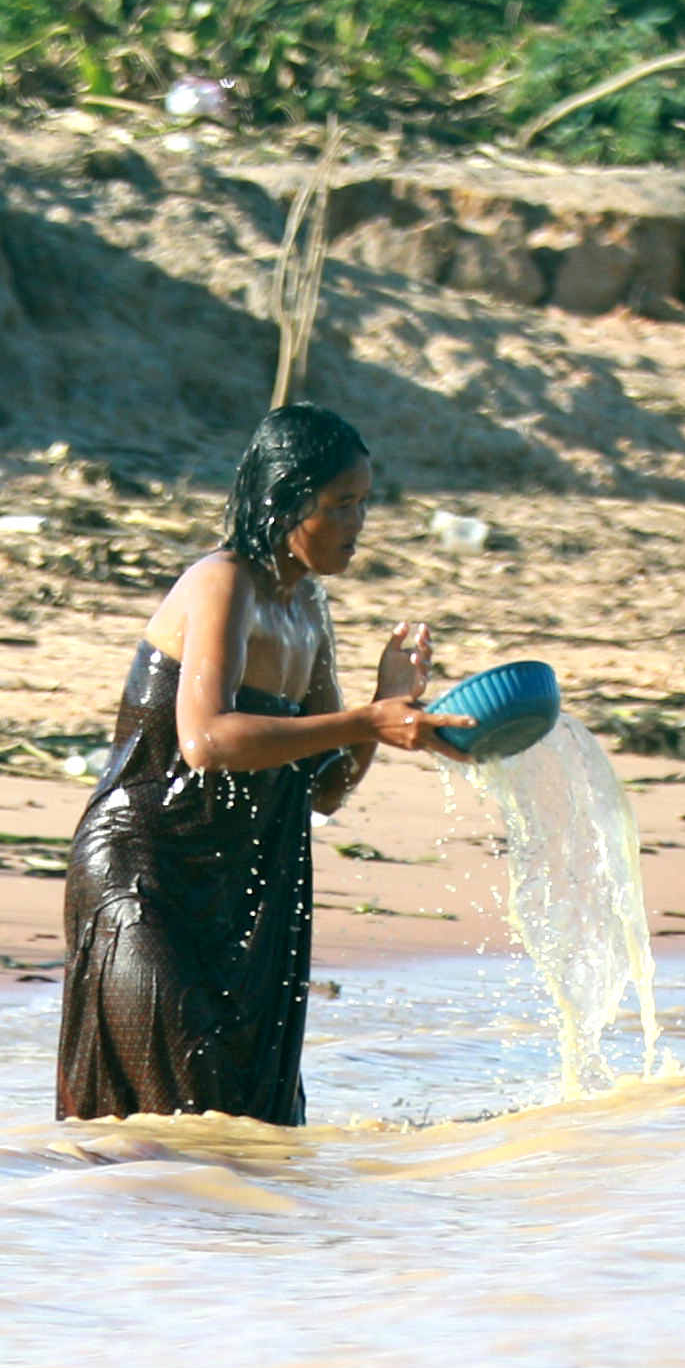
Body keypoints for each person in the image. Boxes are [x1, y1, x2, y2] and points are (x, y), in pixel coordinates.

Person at [56, 404, 457, 1121]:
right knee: (161, 1109)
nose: (357, 523)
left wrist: (386, 700)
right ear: (282, 503)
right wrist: (367, 719)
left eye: (364, 504)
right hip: (145, 871)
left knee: (239, 1126)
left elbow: (329, 786)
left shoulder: (309, 611)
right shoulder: (223, 581)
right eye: (340, 505)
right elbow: (206, 740)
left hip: (242, 887)